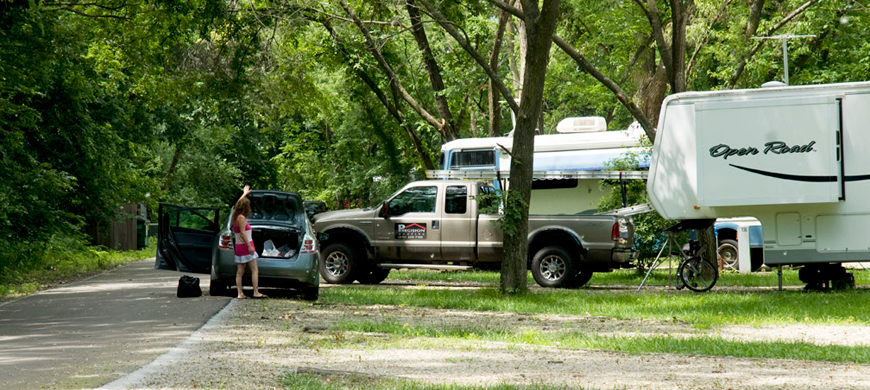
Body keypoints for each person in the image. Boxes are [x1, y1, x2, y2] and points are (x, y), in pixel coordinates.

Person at [232, 185, 266, 299]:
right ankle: (255, 292)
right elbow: (242, 233)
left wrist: (245, 193)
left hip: (239, 246)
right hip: (246, 246)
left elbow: (238, 203)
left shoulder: (235, 216)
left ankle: (240, 293)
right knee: (254, 270)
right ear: (246, 207)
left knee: (240, 272)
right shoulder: (241, 218)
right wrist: (250, 247)